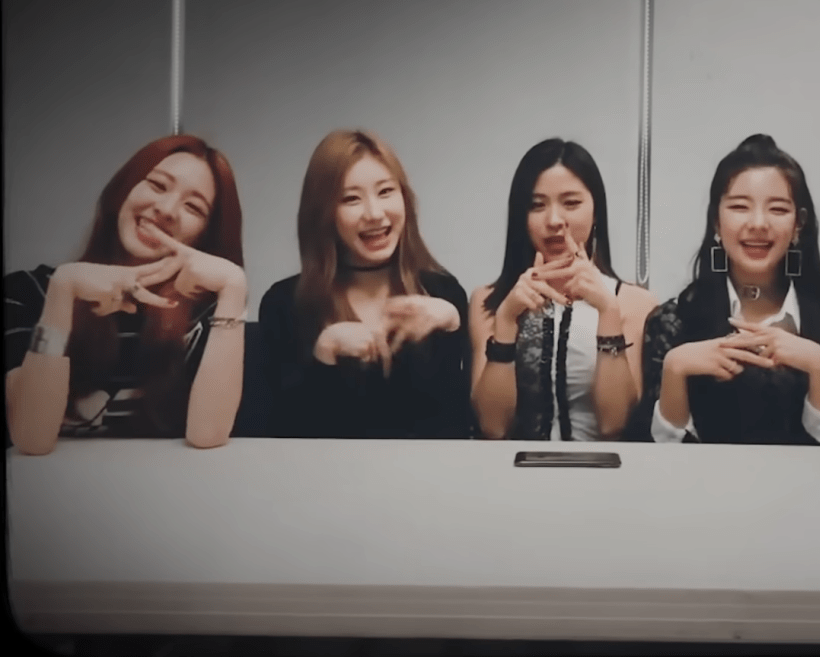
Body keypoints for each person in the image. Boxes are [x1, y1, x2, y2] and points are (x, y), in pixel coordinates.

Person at [626, 134, 820, 445]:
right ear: (716, 222)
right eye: (740, 207)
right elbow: (656, 460)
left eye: (777, 209)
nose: (758, 223)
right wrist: (675, 369)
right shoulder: (671, 321)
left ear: (798, 225)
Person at [5, 135, 247, 454]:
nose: (166, 210)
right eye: (157, 185)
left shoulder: (205, 315)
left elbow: (208, 435)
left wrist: (234, 286)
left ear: (205, 233)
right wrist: (63, 291)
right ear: (124, 189)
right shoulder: (27, 291)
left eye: (193, 207)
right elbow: (31, 439)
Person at [258, 130, 474, 439]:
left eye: (385, 192)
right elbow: (277, 434)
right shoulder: (285, 303)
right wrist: (325, 353)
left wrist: (452, 322)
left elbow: (454, 431)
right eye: (351, 199)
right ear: (324, 213)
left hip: (422, 471)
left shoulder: (443, 293)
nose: (374, 213)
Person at [468, 138, 658, 441]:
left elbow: (616, 424)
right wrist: (506, 321)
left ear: (596, 212)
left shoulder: (635, 302)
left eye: (571, 203)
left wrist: (608, 312)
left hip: (604, 467)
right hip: (511, 467)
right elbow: (493, 427)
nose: (554, 220)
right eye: (537, 205)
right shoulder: (488, 301)